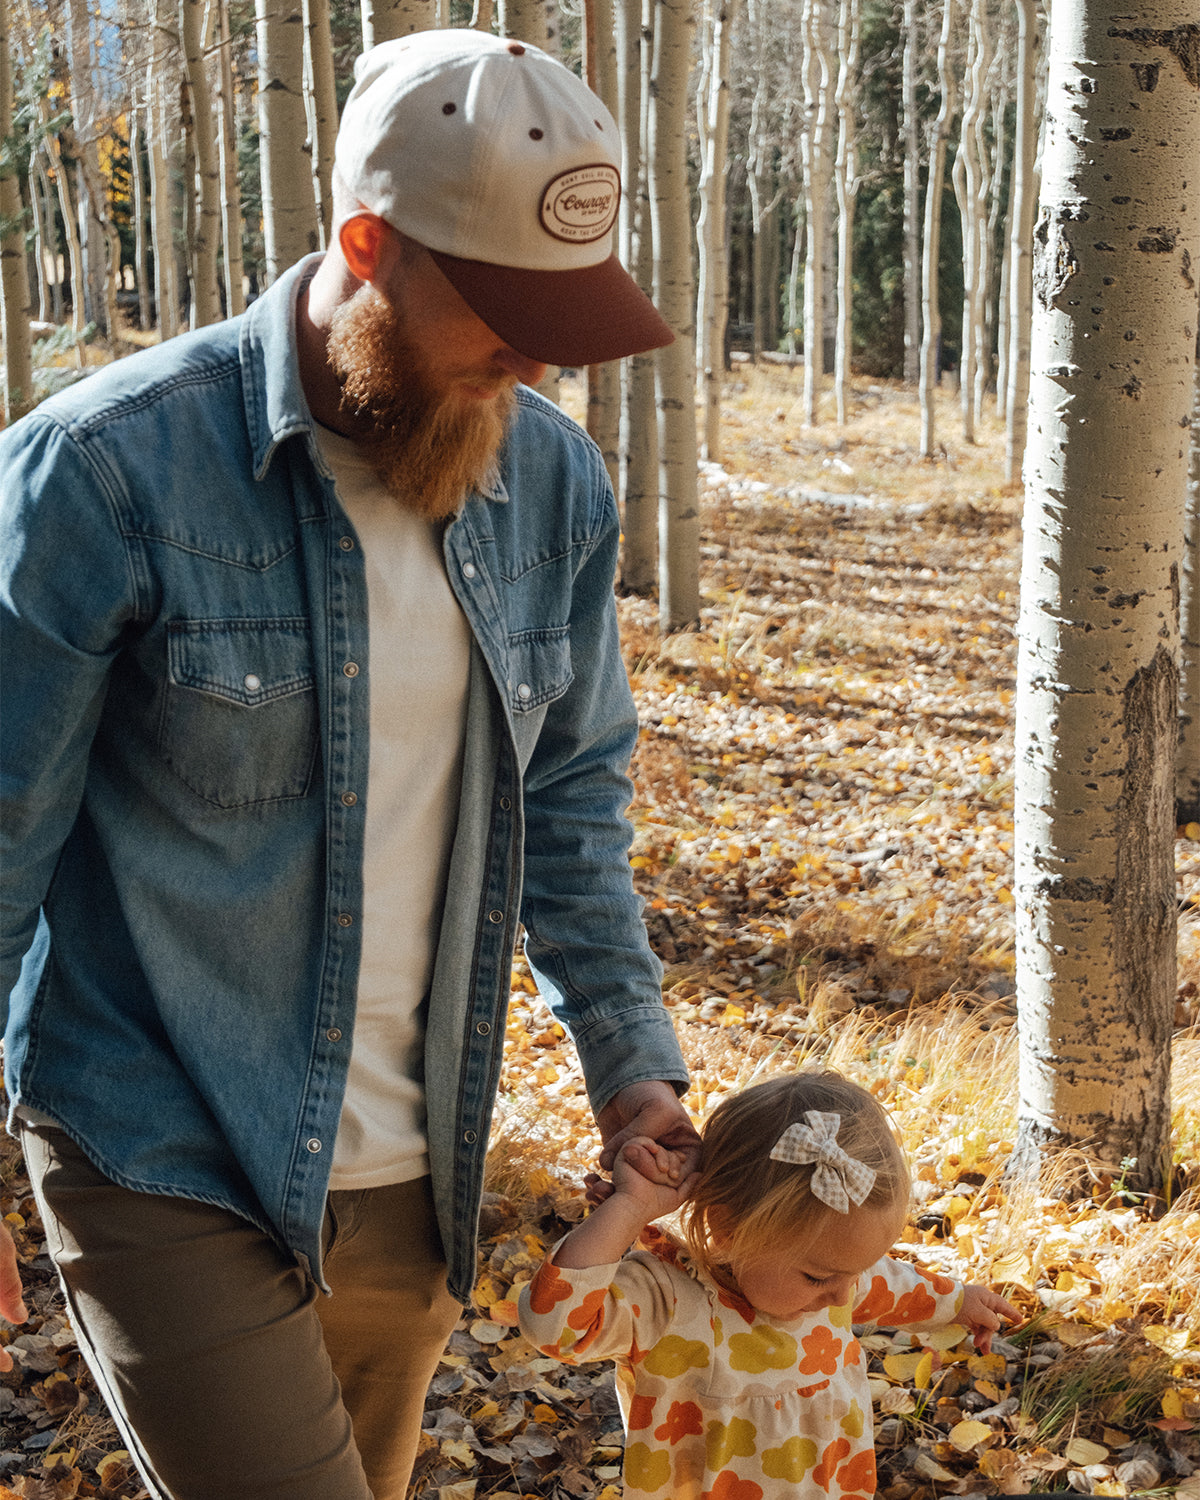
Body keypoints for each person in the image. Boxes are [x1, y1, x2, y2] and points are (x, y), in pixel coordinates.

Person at [0, 28, 700, 1499]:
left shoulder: (552, 479)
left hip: (418, 1160)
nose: (541, 354)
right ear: (367, 244)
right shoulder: (109, 471)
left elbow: (571, 800)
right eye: (504, 310)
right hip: (160, 1137)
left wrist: (632, 1068)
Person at [518, 1070, 1020, 1500]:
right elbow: (553, 1326)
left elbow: (897, 1286)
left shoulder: (833, 1279)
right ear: (730, 1229)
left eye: (858, 1269)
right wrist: (625, 1209)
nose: (844, 1295)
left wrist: (959, 1300)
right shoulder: (666, 1303)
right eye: (820, 1276)